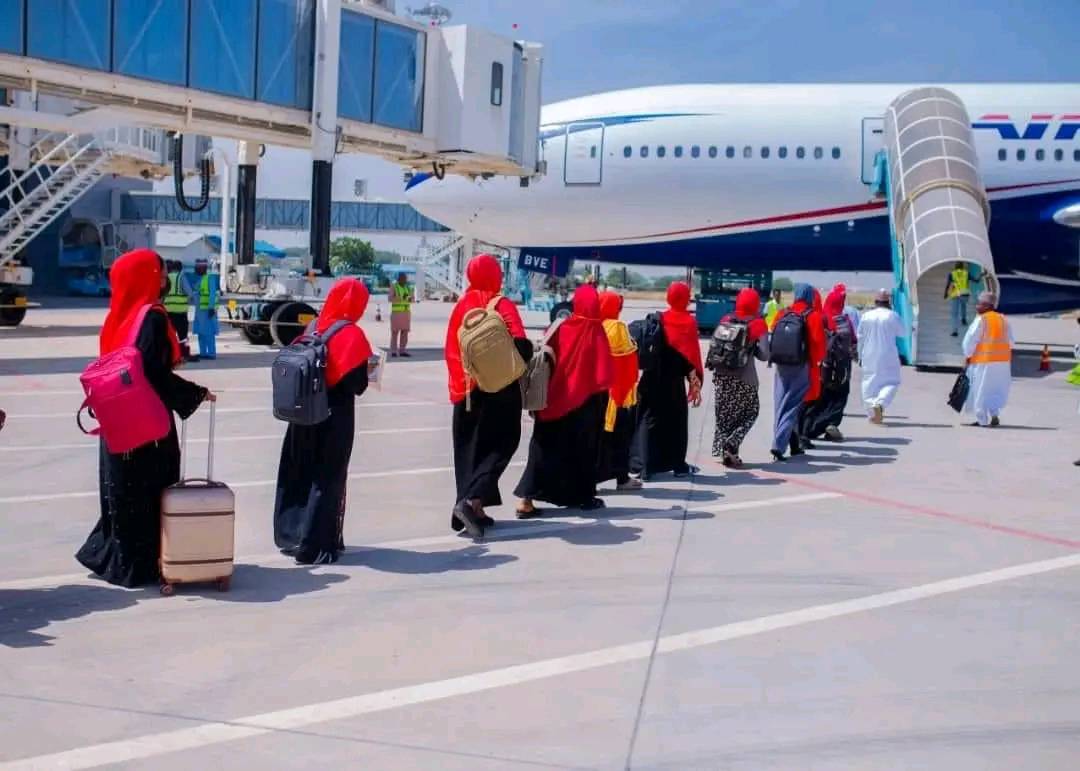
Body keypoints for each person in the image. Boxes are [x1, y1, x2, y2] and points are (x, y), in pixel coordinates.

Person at [76, 249, 213, 588]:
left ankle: (113, 557)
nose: (165, 280)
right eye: (160, 274)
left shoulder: (116, 317)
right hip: (145, 423)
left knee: (119, 489)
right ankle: (141, 563)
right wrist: (195, 393)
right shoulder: (150, 318)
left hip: (116, 418)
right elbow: (152, 372)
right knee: (149, 488)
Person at [274, 278, 373, 564]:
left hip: (302, 410)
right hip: (334, 415)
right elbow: (358, 385)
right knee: (328, 477)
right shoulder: (352, 334)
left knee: (297, 472)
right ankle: (315, 546)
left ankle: (290, 535)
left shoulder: (314, 326)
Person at [445, 254, 533, 538]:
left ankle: (473, 506)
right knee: (502, 444)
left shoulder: (461, 307)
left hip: (465, 390)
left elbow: (451, 349)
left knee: (468, 451)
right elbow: (521, 344)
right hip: (498, 391)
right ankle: (471, 501)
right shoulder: (499, 303)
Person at [515, 285, 614, 515]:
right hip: (585, 403)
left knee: (542, 449)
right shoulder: (595, 329)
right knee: (583, 452)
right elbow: (603, 376)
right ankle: (583, 497)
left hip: (552, 399)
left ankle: (526, 500)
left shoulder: (559, 326)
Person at [630, 281, 704, 479]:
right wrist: (695, 383)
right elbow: (691, 356)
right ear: (685, 298)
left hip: (651, 377)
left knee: (647, 420)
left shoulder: (658, 319)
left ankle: (644, 467)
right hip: (673, 381)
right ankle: (678, 465)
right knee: (676, 424)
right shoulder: (688, 322)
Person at [710, 287, 769, 468]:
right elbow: (765, 355)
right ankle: (732, 444)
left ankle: (727, 452)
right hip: (745, 378)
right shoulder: (758, 323)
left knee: (724, 415)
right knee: (750, 412)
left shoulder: (726, 319)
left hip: (721, 376)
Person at [770, 283, 826, 461]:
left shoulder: (783, 312)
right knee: (793, 406)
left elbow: (773, 330)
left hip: (781, 365)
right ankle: (778, 445)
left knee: (781, 404)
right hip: (801, 366)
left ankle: (793, 445)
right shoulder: (813, 316)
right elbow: (819, 349)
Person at [596, 291, 641, 490]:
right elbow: (628, 362)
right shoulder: (618, 327)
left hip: (597, 393)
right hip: (617, 393)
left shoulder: (594, 326)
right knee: (620, 439)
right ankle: (622, 479)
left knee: (598, 440)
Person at [801, 284, 857, 443]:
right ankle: (831, 424)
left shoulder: (822, 317)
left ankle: (811, 427)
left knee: (821, 396)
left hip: (823, 365)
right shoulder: (844, 319)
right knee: (839, 397)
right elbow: (853, 340)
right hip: (842, 366)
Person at [962, 291, 1014, 427]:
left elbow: (970, 340)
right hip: (1002, 362)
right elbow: (1012, 342)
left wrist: (968, 355)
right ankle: (994, 414)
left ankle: (982, 420)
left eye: (979, 303)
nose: (976, 306)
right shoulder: (1003, 318)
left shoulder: (981, 319)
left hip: (985, 360)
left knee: (980, 390)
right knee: (994, 389)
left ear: (986, 305)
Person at [858, 289, 906, 424]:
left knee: (868, 383)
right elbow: (902, 333)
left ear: (875, 302)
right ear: (888, 302)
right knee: (892, 381)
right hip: (888, 354)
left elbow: (860, 337)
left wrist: (859, 356)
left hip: (869, 354)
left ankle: (872, 411)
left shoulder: (866, 316)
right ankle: (880, 404)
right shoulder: (892, 316)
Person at [163, 260, 194, 361]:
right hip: (180, 312)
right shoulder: (181, 277)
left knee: (168, 335)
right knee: (183, 336)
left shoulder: (166, 278)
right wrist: (187, 301)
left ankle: (169, 355)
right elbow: (190, 293)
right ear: (180, 268)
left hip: (167, 312)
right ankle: (184, 354)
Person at [192, 258, 219, 360]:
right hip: (200, 310)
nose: (196, 269)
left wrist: (211, 308)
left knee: (208, 332)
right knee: (201, 332)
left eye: (197, 267)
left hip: (207, 309)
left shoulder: (210, 278)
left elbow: (212, 293)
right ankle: (203, 353)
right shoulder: (201, 279)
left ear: (203, 268)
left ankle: (211, 353)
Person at [390, 271, 414, 357]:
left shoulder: (408, 287)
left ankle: (402, 350)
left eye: (405, 278)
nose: (404, 280)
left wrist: (410, 299)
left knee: (405, 332)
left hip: (406, 313)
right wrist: (401, 298)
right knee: (395, 333)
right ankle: (393, 351)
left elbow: (412, 299)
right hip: (396, 313)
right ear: (398, 278)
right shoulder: (394, 286)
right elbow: (390, 298)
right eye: (402, 278)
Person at [945, 261, 972, 337]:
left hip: (956, 294)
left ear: (955, 267)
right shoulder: (967, 273)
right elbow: (976, 280)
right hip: (965, 294)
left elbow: (948, 285)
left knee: (954, 314)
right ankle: (963, 319)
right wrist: (981, 275)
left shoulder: (952, 274)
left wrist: (945, 294)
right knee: (963, 306)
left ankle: (955, 331)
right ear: (963, 267)